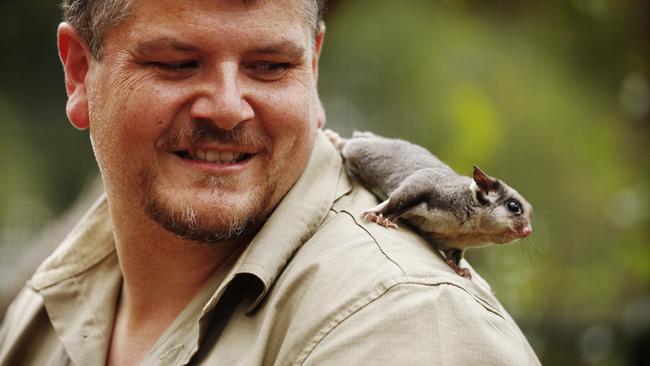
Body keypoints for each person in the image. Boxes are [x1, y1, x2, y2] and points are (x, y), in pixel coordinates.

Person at [0, 0, 541, 364]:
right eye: (176, 63)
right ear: (78, 73)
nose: (229, 108)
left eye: (271, 66)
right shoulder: (46, 304)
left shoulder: (411, 326)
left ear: (314, 71)